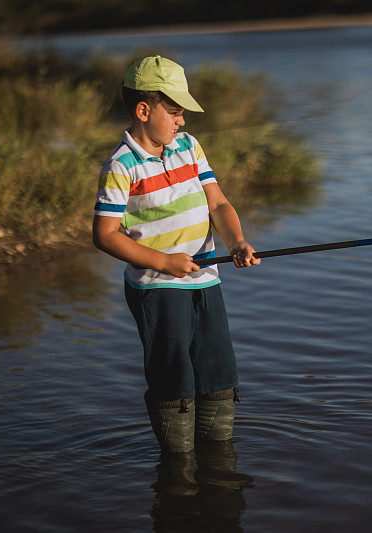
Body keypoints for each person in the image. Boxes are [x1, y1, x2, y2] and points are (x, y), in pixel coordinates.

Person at [92, 55, 261, 455]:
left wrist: (236, 241)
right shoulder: (120, 165)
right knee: (173, 378)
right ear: (143, 110)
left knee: (218, 371)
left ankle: (219, 462)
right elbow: (105, 235)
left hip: (207, 280)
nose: (181, 121)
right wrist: (165, 262)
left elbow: (218, 204)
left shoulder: (189, 147)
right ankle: (178, 468)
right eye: (174, 112)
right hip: (157, 289)